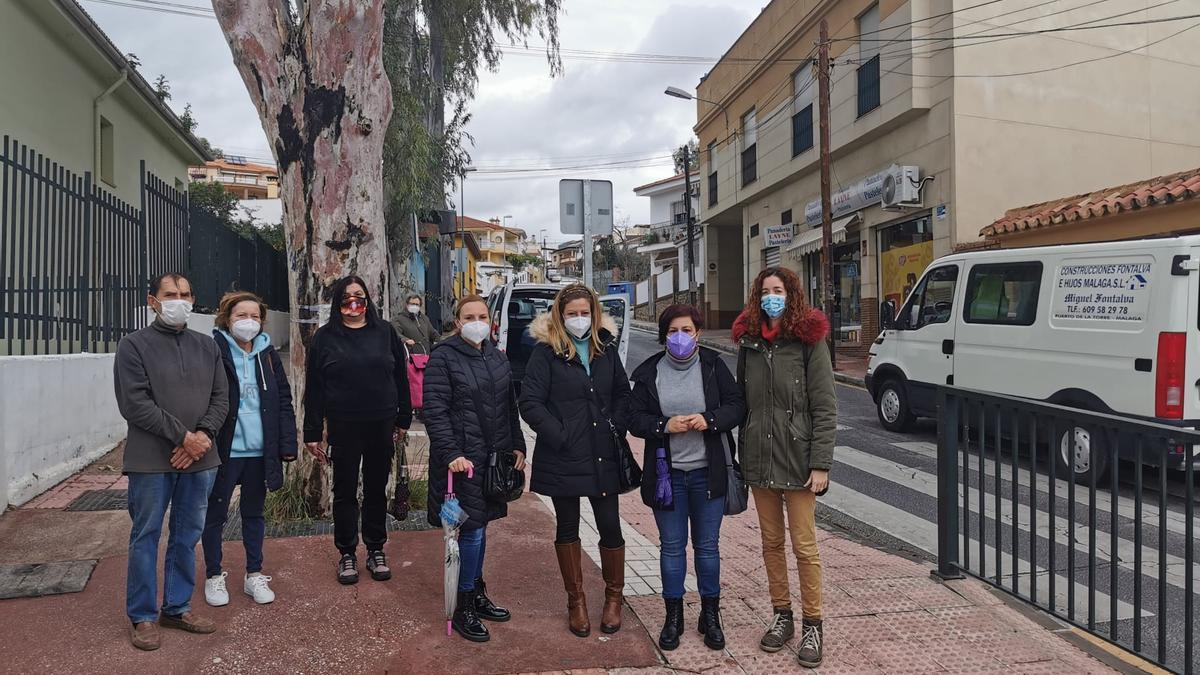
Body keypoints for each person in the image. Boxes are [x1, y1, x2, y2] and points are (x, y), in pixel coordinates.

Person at [113, 273, 229, 651]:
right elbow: (135, 403)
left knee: (187, 535)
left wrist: (203, 437)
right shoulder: (133, 346)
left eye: (184, 294)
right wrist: (184, 438)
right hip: (151, 460)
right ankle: (143, 615)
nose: (178, 300)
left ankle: (176, 607)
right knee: (146, 536)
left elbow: (221, 398)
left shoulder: (207, 346)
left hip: (201, 459)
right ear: (153, 301)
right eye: (170, 295)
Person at [732, 266, 836, 669]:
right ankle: (783, 616)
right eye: (764, 291)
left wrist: (821, 463)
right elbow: (742, 402)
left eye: (778, 290)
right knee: (771, 544)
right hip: (759, 458)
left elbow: (825, 405)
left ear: (791, 295)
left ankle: (813, 623)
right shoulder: (750, 343)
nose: (771, 296)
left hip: (799, 460)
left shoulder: (809, 341)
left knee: (805, 547)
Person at [628, 304, 745, 652]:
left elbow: (737, 405)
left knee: (707, 548)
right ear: (664, 335)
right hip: (668, 476)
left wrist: (710, 418)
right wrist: (664, 425)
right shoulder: (649, 372)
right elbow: (634, 418)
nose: (681, 337)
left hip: (708, 474)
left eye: (687, 330)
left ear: (698, 333)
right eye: (674, 331)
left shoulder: (712, 366)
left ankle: (710, 615)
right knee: (672, 548)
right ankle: (673, 615)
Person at [519, 283, 632, 638]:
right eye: (572, 314)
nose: (579, 320)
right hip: (563, 455)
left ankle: (614, 599)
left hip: (602, 453)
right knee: (567, 528)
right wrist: (560, 435)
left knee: (610, 527)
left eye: (585, 313)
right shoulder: (545, 353)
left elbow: (622, 394)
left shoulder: (606, 349)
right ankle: (576, 602)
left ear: (594, 314)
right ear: (560, 316)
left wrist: (617, 425)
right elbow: (530, 402)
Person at [422, 295, 527, 643]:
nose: (477, 321)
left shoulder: (496, 356)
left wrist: (518, 444)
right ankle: (464, 601)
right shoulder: (444, 357)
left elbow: (509, 406)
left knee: (482, 526)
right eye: (470, 316)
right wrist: (450, 451)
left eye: (482, 315)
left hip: (492, 458)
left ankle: (476, 590)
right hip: (462, 462)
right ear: (457, 322)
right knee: (472, 530)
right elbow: (434, 409)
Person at [303, 276, 413, 585]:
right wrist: (312, 431)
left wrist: (403, 418)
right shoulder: (324, 337)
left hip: (382, 424)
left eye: (359, 296)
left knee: (377, 489)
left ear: (367, 299)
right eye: (347, 297)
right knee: (345, 490)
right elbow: (314, 388)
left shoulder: (385, 332)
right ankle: (347, 552)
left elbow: (400, 378)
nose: (354, 302)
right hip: (343, 425)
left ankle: (376, 548)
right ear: (338, 302)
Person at [201, 291, 297, 608]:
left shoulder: (267, 354)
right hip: (224, 452)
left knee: (254, 514)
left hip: (260, 452)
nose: (249, 322)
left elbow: (284, 400)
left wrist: (286, 444)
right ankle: (214, 576)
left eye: (255, 316)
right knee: (215, 514)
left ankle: (254, 573)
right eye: (242, 316)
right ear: (227, 319)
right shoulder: (213, 352)